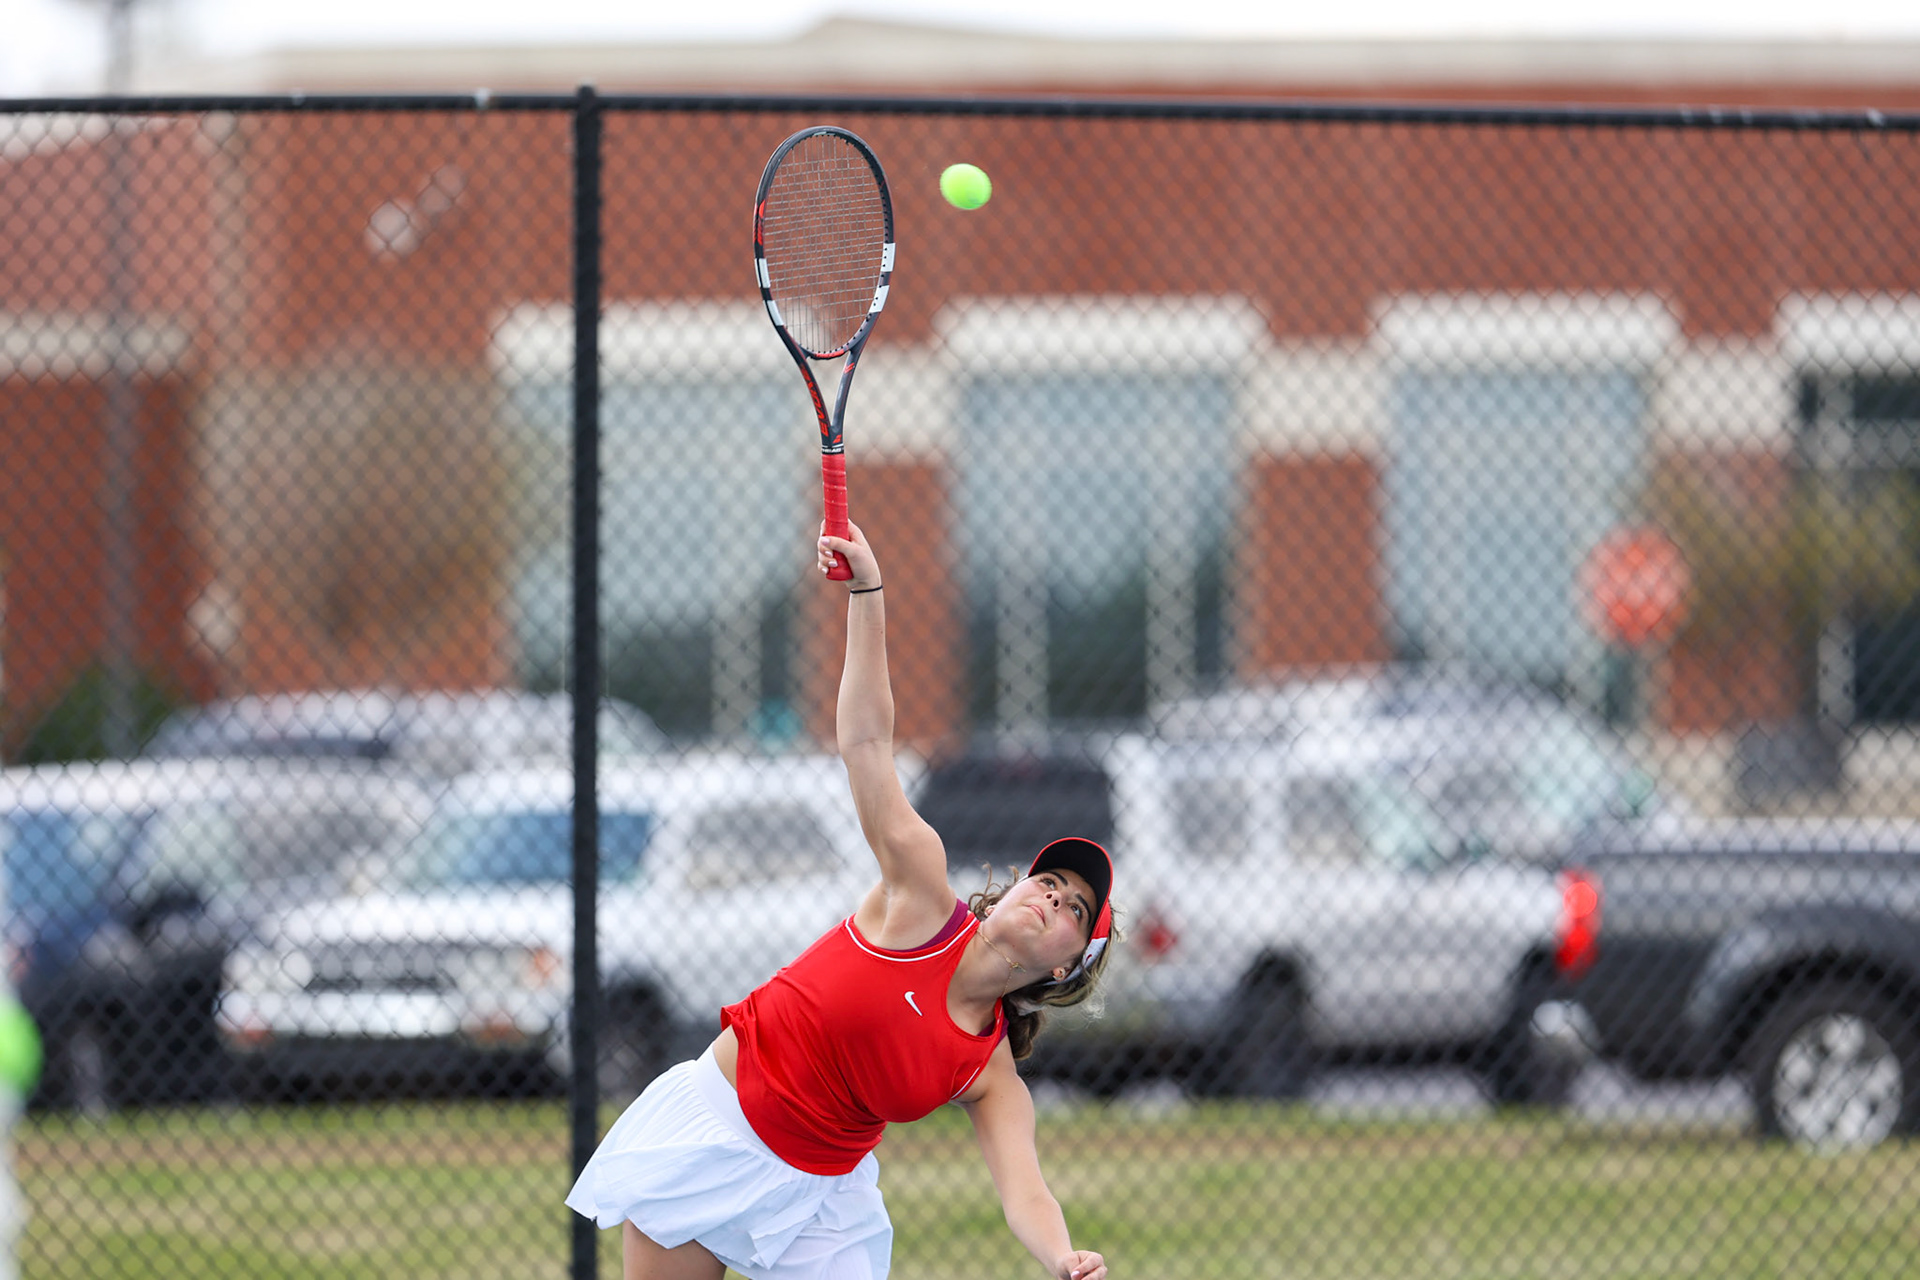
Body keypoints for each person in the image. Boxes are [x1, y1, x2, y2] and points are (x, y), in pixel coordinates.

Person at [568, 523, 1114, 1280]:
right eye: (1049, 883)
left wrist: (1064, 1257)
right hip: (720, 1130)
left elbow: (1026, 1192)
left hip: (825, 1198)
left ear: (1064, 970)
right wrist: (868, 593)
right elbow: (866, 742)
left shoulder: (988, 1073)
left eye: (1076, 911)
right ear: (1016, 887)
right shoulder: (921, 888)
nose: (1054, 899)